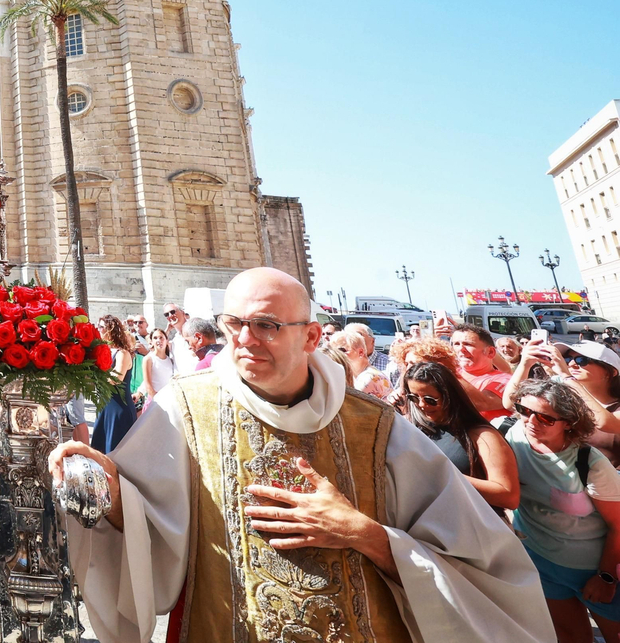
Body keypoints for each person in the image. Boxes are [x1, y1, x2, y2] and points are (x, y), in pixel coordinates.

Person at [49, 267, 551, 643]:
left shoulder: (378, 426)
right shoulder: (182, 407)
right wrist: (110, 491)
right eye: (234, 323)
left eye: (266, 324)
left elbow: (481, 566)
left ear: (311, 336)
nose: (245, 340)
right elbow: (147, 526)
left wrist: (366, 535)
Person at [507, 379, 620, 643]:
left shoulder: (590, 463)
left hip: (593, 570)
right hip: (541, 561)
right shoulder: (513, 435)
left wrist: (605, 577)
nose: (531, 422)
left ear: (569, 422)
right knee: (569, 637)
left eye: (545, 418)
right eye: (524, 411)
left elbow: (619, 525)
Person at [401, 360, 518, 511]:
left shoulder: (482, 435)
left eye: (430, 400)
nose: (422, 405)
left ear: (450, 396)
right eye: (414, 398)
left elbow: (509, 497)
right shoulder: (414, 427)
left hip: (472, 527)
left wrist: (443, 474)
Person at [510, 340, 620, 468]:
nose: (571, 364)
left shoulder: (568, 381)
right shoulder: (564, 392)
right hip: (565, 477)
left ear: (611, 372)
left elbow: (605, 423)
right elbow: (510, 402)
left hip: (608, 480)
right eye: (567, 359)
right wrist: (525, 364)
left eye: (581, 360)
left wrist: (567, 377)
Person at [90, 314, 139, 452]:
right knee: (100, 450)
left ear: (110, 330)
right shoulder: (102, 351)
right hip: (105, 406)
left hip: (119, 408)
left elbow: (116, 378)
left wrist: (94, 376)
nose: (98, 329)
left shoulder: (122, 353)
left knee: (117, 451)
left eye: (101, 327)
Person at [452, 323, 514, 420]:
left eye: (468, 344)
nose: (461, 349)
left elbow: (482, 403)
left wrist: (448, 372)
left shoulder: (506, 380)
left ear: (490, 352)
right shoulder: (453, 372)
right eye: (456, 344)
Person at [332, 324, 392, 399]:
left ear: (360, 352)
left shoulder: (368, 378)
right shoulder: (358, 375)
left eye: (342, 350)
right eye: (334, 351)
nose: (337, 354)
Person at [135, 326, 175, 409]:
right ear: (151, 342)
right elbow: (148, 385)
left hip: (169, 401)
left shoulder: (170, 360)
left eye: (161, 338)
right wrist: (159, 401)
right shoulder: (149, 359)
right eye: (155, 338)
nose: (158, 340)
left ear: (166, 340)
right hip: (156, 403)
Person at [163, 302, 197, 374]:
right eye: (166, 314)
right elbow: (156, 346)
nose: (170, 316)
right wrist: (167, 330)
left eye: (172, 312)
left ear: (183, 312)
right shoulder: (175, 340)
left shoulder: (196, 329)